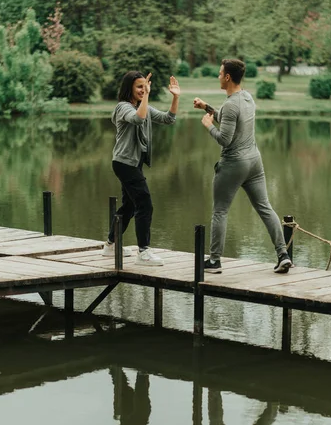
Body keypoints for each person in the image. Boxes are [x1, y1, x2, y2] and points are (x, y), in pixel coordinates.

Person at [193, 59, 292, 274]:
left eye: (220, 73)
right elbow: (230, 120)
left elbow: (225, 139)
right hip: (254, 162)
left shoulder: (230, 104)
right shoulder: (247, 97)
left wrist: (209, 126)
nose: (218, 76)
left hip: (233, 164)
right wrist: (206, 107)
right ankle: (283, 254)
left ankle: (215, 261)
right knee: (265, 207)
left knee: (220, 211)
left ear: (227, 77)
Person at [103, 71, 180, 266]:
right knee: (145, 203)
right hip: (124, 163)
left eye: (144, 87)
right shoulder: (123, 108)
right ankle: (144, 252)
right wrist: (146, 96)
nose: (142, 90)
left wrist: (175, 97)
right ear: (129, 87)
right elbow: (138, 118)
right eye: (139, 87)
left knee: (129, 206)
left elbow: (168, 119)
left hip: (132, 163)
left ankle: (111, 245)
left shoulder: (142, 106)